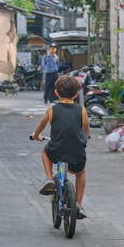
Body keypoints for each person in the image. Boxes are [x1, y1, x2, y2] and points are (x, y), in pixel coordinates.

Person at [30, 74, 90, 219]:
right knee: (80, 173)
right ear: (76, 94)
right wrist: (85, 138)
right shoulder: (82, 110)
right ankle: (78, 205)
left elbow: (41, 126)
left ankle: (49, 178)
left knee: (45, 152)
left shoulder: (52, 110)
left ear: (56, 92)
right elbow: (86, 130)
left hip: (57, 150)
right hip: (77, 152)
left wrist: (36, 135)